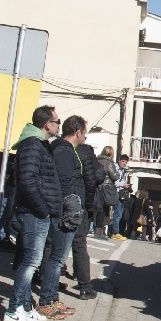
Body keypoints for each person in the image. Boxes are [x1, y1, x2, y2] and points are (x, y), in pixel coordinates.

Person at [7, 105, 70, 321]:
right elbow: (27, 180)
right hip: (34, 213)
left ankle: (25, 306)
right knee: (31, 262)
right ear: (47, 124)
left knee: (32, 261)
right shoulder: (33, 145)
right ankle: (14, 308)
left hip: (38, 212)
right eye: (57, 120)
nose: (59, 125)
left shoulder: (39, 145)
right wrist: (43, 210)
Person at [52, 115, 102, 298]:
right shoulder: (83, 152)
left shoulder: (53, 147)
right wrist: (89, 206)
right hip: (76, 203)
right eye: (85, 134)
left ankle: (47, 280)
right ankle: (85, 286)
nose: (85, 137)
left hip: (55, 203)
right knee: (78, 244)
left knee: (52, 245)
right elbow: (93, 179)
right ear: (78, 132)